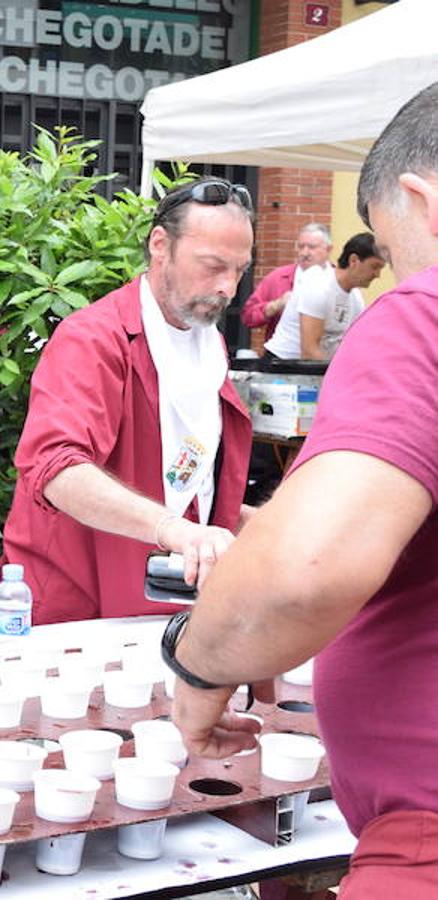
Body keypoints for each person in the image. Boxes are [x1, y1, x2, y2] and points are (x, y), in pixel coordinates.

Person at [169, 82, 438, 897]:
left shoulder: (421, 320)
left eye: (396, 252)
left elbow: (300, 574)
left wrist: (196, 668)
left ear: (423, 198)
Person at [0, 178, 255, 624]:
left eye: (240, 270)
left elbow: (196, 486)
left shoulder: (209, 348)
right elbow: (56, 469)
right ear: (159, 244)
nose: (228, 287)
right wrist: (174, 530)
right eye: (212, 265)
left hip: (165, 598)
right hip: (78, 606)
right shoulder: (93, 339)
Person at [262, 232, 386, 360]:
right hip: (281, 367)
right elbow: (309, 352)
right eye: (375, 267)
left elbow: (354, 345)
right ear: (353, 260)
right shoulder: (319, 286)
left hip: (315, 368)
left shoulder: (356, 298)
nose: (377, 275)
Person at [239, 223, 332, 344]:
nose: (304, 252)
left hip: (325, 356)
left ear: (328, 249)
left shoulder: (337, 280)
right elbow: (248, 316)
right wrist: (275, 305)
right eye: (301, 247)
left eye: (312, 247)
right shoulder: (278, 277)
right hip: (282, 358)